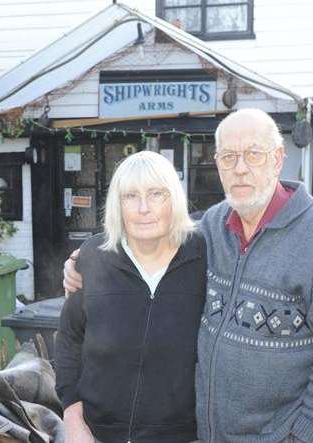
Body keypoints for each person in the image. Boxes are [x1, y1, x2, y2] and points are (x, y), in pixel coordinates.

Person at [63, 109, 313, 443]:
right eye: (229, 157)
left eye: (253, 154)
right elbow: (152, 234)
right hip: (207, 435)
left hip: (279, 436)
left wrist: (304, 434)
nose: (240, 168)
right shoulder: (211, 229)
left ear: (278, 159)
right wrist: (82, 261)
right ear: (217, 163)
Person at [56, 150, 207, 443]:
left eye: (156, 194)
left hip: (182, 435)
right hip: (96, 434)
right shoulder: (93, 256)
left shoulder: (204, 256)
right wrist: (72, 417)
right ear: (118, 204)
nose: (143, 208)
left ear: (173, 199)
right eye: (130, 196)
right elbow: (69, 339)